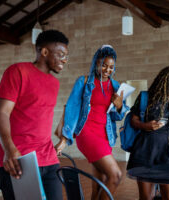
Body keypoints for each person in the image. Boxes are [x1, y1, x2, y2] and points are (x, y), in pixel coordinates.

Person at [0, 29, 69, 200]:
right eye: (61, 54)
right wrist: (9, 149)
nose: (65, 59)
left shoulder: (54, 83)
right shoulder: (18, 71)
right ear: (44, 52)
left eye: (66, 55)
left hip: (48, 159)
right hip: (18, 159)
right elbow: (2, 112)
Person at [54, 45, 129, 200]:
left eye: (111, 67)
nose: (107, 70)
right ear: (96, 63)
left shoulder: (116, 86)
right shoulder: (84, 82)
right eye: (104, 65)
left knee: (100, 181)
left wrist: (120, 105)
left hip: (106, 135)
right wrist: (64, 139)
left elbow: (117, 117)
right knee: (115, 175)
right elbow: (72, 109)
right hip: (87, 133)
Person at [127, 65, 169, 200]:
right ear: (165, 82)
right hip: (144, 150)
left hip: (166, 151)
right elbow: (133, 121)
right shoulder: (145, 98)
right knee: (147, 197)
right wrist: (145, 125)